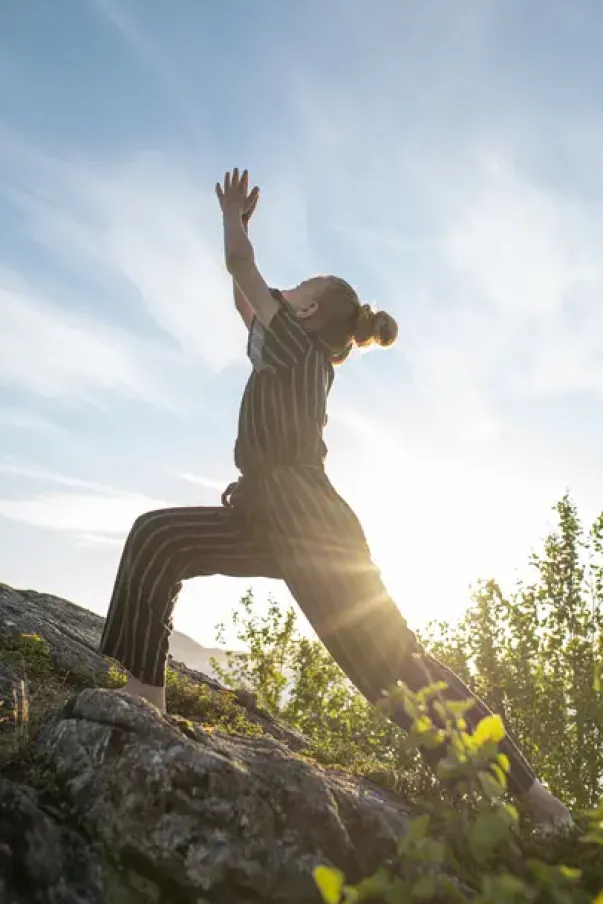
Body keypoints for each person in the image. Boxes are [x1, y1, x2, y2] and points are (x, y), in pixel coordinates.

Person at [99, 168, 572, 829]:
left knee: (392, 663)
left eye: (296, 287)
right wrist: (244, 252)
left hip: (311, 526)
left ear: (307, 313)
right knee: (159, 539)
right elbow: (245, 300)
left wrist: (232, 220)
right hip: (267, 513)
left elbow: (242, 269)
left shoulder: (297, 348)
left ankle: (531, 795)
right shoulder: (288, 348)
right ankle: (144, 703)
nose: (282, 290)